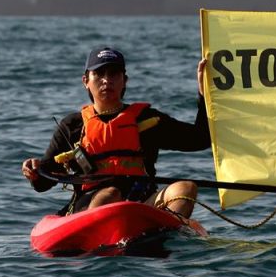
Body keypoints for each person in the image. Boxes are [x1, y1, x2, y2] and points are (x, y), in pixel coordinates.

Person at [21, 46, 211, 218]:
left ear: (124, 80)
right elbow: (43, 183)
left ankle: (164, 227)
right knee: (110, 194)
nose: (106, 80)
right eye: (99, 73)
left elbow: (199, 139)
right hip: (90, 206)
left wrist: (204, 95)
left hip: (142, 204)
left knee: (186, 188)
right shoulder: (72, 126)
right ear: (86, 81)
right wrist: (34, 171)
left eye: (114, 74)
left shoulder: (147, 119)